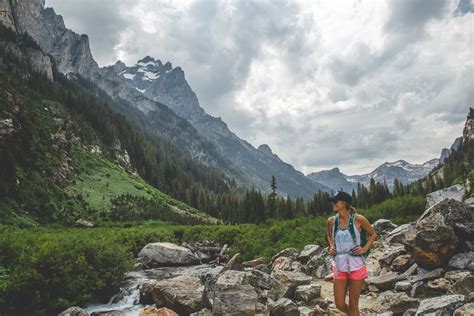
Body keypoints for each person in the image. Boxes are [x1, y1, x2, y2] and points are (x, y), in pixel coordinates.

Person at [325, 191, 377, 315]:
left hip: (357, 265)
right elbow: (328, 235)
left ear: (344, 203)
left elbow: (373, 234)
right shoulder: (331, 221)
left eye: (335, 201)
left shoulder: (359, 219)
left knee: (354, 306)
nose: (333, 203)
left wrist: (364, 249)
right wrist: (331, 247)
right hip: (339, 266)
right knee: (339, 304)